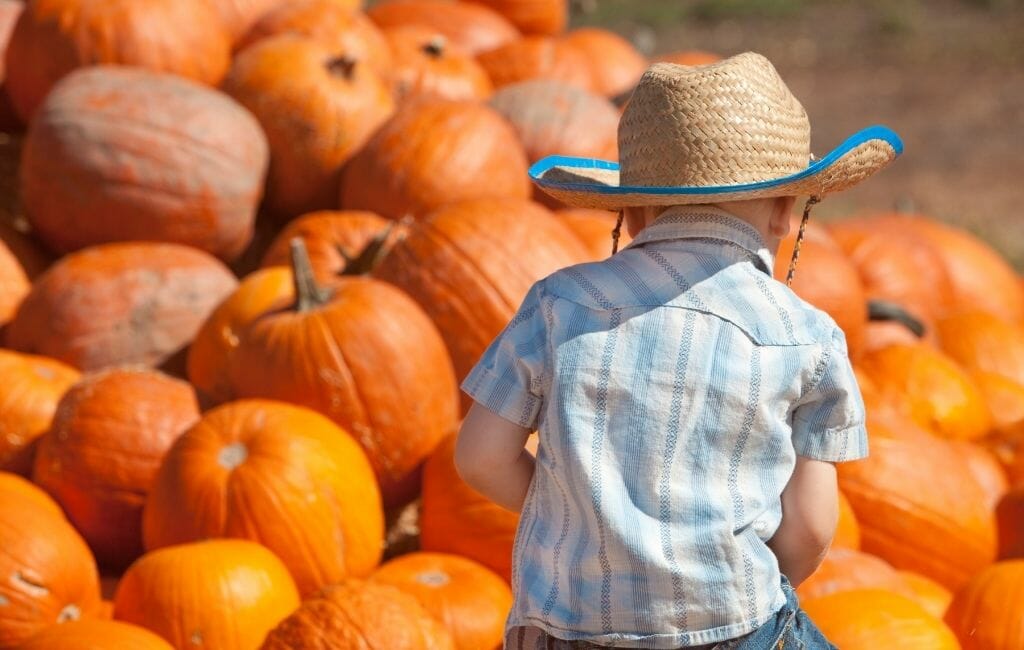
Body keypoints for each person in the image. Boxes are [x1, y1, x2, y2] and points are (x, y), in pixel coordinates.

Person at [455, 52, 903, 649]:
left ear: (634, 213)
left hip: (565, 630)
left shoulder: (558, 303)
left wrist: (588, 523)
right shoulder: (807, 335)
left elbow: (481, 458)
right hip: (733, 626)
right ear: (784, 213)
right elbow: (813, 527)